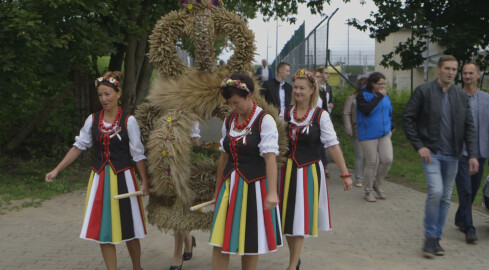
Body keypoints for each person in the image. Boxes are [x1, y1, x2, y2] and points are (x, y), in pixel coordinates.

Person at [45, 71, 149, 270]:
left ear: (118, 94)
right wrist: (56, 169)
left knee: (130, 228)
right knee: (104, 230)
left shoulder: (129, 121)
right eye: (100, 95)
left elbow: (138, 155)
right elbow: (78, 147)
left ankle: (138, 267)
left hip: (124, 179)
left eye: (107, 94)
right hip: (100, 180)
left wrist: (145, 182)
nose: (103, 99)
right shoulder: (92, 120)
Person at [403, 55, 479, 258]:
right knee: (436, 191)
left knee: (445, 197)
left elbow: (469, 127)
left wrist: (472, 155)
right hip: (432, 154)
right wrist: (419, 146)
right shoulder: (424, 91)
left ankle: (435, 239)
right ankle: (429, 236)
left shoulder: (461, 96)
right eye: (447, 68)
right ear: (438, 69)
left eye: (454, 69)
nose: (451, 72)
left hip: (453, 154)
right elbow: (408, 119)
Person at [280, 69, 353, 270]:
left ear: (313, 90)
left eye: (302, 88)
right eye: (295, 87)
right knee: (287, 219)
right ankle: (294, 257)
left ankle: (292, 265)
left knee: (300, 220)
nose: (297, 91)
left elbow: (333, 145)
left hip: (308, 172)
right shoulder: (285, 113)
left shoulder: (320, 116)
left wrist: (345, 174)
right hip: (286, 172)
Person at [209, 73, 282, 270]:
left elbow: (270, 158)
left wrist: (273, 192)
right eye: (230, 103)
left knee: (250, 242)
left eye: (236, 102)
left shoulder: (264, 121)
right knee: (219, 240)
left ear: (249, 96)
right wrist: (218, 191)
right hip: (229, 186)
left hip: (254, 188)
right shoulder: (229, 121)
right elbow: (224, 158)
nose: (233, 107)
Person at [454, 62, 489, 244]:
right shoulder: (455, 97)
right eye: (465, 73)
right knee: (465, 190)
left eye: (471, 73)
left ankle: (460, 217)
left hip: (481, 151)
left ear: (478, 75)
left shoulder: (486, 99)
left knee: (473, 189)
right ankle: (469, 228)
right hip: (462, 153)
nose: (467, 76)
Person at [356, 72, 393, 202]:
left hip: (384, 133)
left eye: (384, 84)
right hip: (368, 134)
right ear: (372, 84)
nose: (382, 86)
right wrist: (378, 97)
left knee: (387, 159)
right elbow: (366, 109)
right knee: (372, 162)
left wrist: (391, 125)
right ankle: (368, 190)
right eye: (379, 84)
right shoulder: (362, 95)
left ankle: (377, 183)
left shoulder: (385, 94)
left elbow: (389, 110)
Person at [169, 122, 201, 270]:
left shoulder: (188, 113)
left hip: (184, 168)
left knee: (179, 211)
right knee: (173, 211)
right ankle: (188, 240)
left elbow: (195, 142)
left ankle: (177, 256)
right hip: (165, 167)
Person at [343, 77, 368, 187]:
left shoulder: (372, 98)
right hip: (356, 128)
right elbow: (346, 113)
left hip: (370, 129)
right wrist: (348, 128)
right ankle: (359, 178)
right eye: (362, 84)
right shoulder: (352, 99)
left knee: (371, 155)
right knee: (360, 154)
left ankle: (370, 177)